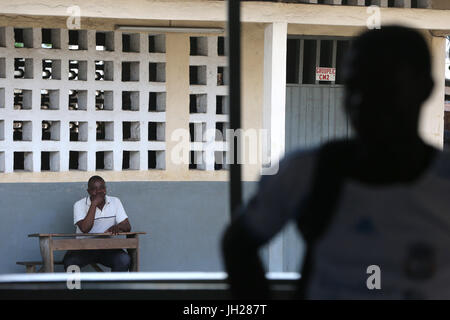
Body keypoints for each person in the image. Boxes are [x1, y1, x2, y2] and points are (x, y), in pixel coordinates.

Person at [221, 25, 450, 299]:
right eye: (353, 86)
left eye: (383, 86)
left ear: (425, 89)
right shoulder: (307, 172)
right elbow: (238, 244)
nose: (361, 100)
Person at [63, 175, 132, 272]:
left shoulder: (115, 201)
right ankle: (74, 287)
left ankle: (115, 287)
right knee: (70, 263)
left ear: (105, 189)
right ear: (88, 191)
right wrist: (94, 204)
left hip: (107, 247)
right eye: (94, 189)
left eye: (102, 188)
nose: (99, 191)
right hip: (83, 248)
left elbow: (127, 227)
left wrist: (118, 226)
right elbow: (85, 229)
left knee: (124, 260)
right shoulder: (79, 205)